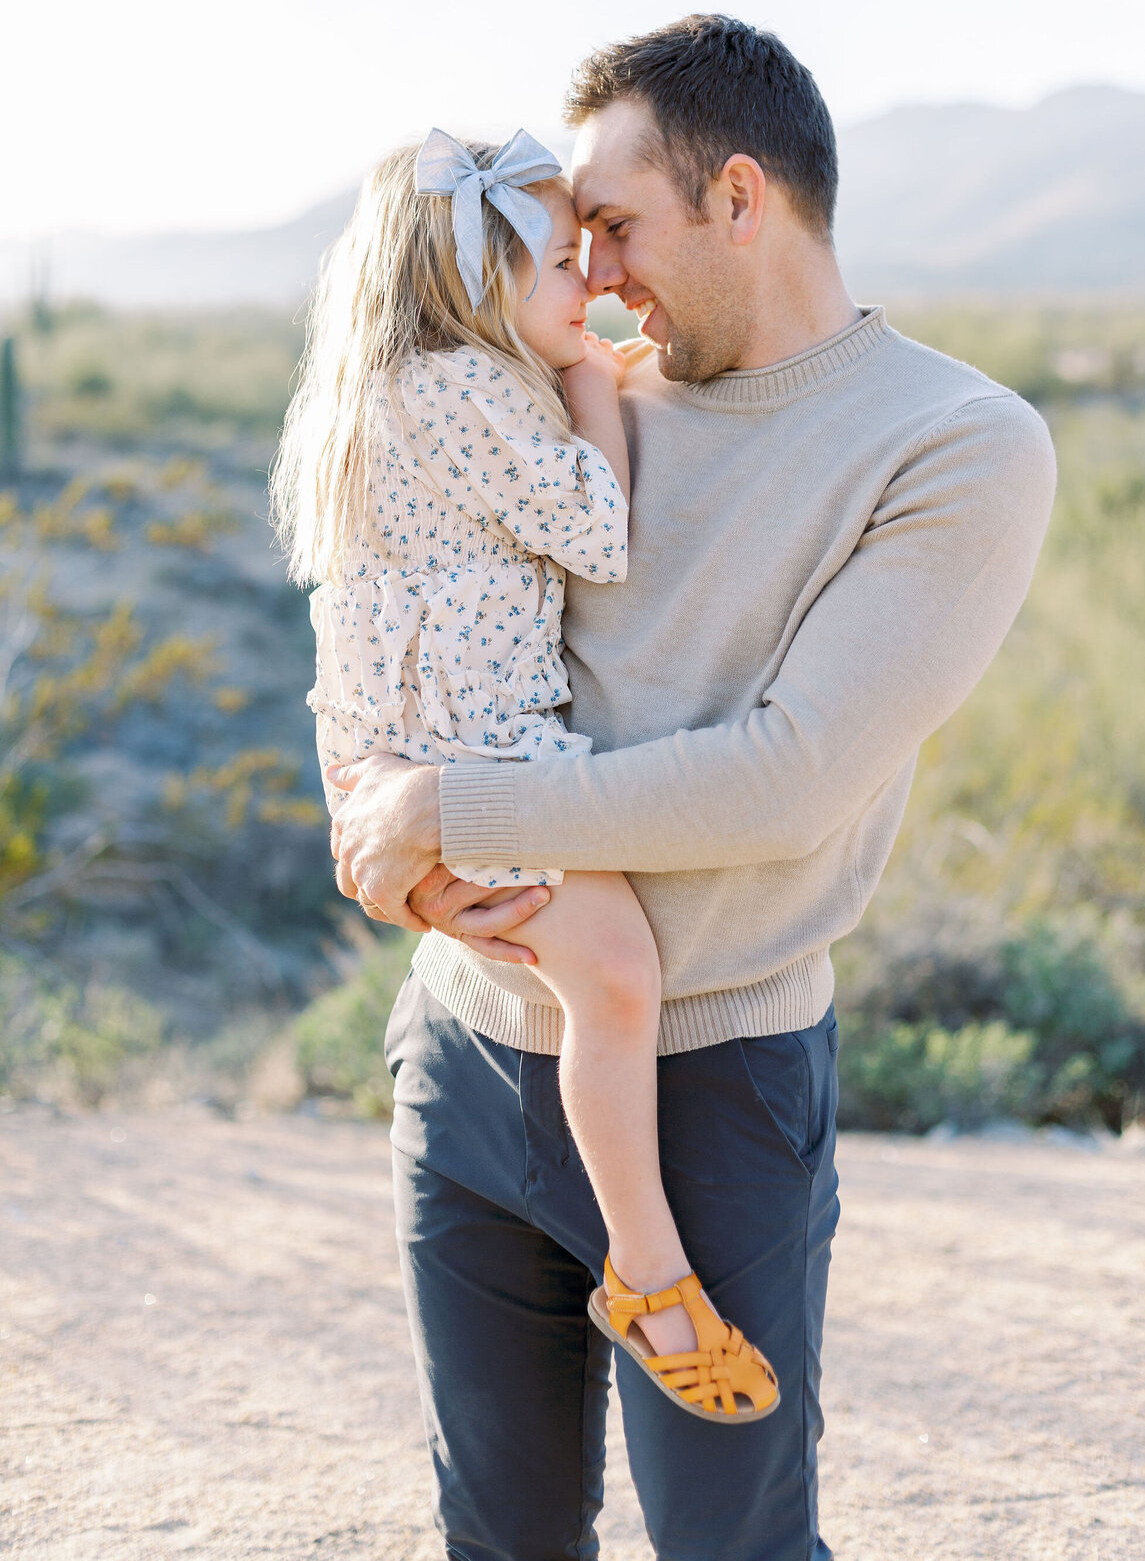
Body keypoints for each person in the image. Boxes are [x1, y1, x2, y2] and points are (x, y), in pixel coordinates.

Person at [324, 15, 1058, 1561]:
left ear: (741, 198)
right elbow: (406, 589)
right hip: (464, 1051)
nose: (590, 273)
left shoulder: (954, 445)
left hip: (718, 1087)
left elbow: (786, 784)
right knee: (500, 1539)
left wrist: (442, 815)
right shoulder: (566, 384)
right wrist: (364, 805)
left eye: (614, 225)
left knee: (735, 1550)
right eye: (573, 240)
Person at [271, 126, 780, 1419]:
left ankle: (634, 1262)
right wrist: (597, 380)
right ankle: (652, 1273)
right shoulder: (466, 389)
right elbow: (597, 536)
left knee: (598, 978)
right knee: (617, 982)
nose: (590, 288)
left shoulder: (401, 382)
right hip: (479, 749)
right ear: (478, 284)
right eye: (560, 265)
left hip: (425, 736)